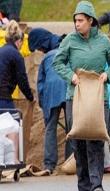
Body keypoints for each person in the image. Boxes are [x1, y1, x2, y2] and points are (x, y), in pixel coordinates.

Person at [53, 0, 110, 191]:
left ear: (91, 21)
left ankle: (96, 187)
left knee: (96, 141)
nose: (77, 24)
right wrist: (70, 75)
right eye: (75, 20)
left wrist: (106, 76)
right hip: (76, 97)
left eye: (80, 20)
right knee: (79, 143)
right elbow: (58, 63)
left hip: (99, 98)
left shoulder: (103, 41)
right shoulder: (70, 41)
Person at [28, 28, 73, 174]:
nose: (40, 51)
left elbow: (40, 84)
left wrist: (43, 104)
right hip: (68, 90)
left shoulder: (47, 57)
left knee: (50, 128)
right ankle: (69, 162)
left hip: (51, 93)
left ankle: (49, 165)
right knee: (71, 129)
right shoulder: (68, 52)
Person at [0, 20, 34, 162]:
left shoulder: (1, 50)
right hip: (3, 97)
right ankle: (11, 162)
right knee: (11, 127)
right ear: (19, 41)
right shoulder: (15, 55)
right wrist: (31, 97)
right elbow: (22, 80)